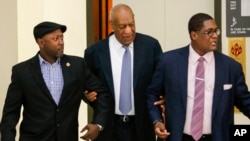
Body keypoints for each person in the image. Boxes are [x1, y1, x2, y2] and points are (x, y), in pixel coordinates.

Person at [0, 21, 113, 141]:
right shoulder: (22, 71)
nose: (61, 42)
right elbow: (10, 114)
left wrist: (98, 124)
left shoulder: (77, 66)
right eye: (55, 39)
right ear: (41, 42)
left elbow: (102, 94)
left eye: (62, 37)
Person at [146, 13, 250, 141]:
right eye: (209, 32)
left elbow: (245, 102)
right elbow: (152, 94)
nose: (215, 36)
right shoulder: (168, 62)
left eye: (216, 31)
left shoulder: (231, 67)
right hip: (180, 137)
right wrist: (157, 121)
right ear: (194, 35)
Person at [84, 3, 163, 141]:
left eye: (131, 25)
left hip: (142, 126)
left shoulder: (151, 46)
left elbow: (160, 81)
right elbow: (87, 86)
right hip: (108, 126)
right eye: (122, 27)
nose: (128, 31)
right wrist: (87, 95)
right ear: (111, 24)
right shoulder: (95, 52)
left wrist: (164, 96)